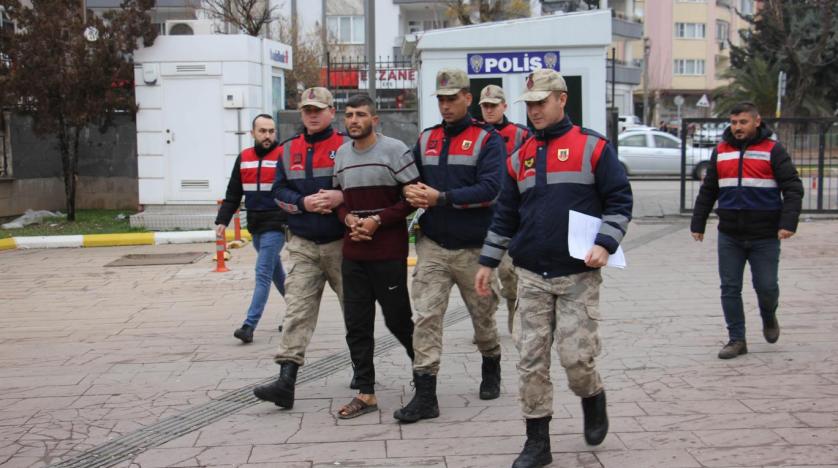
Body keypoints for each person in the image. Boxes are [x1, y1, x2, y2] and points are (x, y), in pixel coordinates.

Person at [474, 69, 633, 468]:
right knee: (530, 360)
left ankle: (592, 396)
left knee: (576, 359)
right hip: (530, 275)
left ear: (562, 100)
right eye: (529, 104)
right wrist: (488, 262)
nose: (534, 111)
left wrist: (604, 244)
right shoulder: (519, 155)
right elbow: (505, 215)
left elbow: (619, 200)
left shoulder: (592, 147)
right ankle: (537, 442)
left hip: (577, 275)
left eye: (541, 103)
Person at [393, 68, 505, 424]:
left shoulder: (488, 140)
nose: (445, 105)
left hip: (475, 249)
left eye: (452, 98)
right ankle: (426, 394)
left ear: (467, 99)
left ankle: (491, 363)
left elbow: (491, 190)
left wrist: (441, 198)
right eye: (440, 99)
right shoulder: (426, 139)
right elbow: (411, 181)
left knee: (483, 317)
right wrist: (408, 193)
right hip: (433, 246)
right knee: (425, 316)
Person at [252, 87, 347, 409]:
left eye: (319, 109)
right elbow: (277, 190)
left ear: (332, 112)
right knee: (297, 312)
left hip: (342, 244)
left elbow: (362, 187)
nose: (313, 114)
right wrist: (303, 203)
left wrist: (340, 198)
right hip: (304, 244)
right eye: (307, 109)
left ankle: (364, 372)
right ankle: (286, 381)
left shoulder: (346, 146)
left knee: (356, 312)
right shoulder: (287, 149)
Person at [690, 101, 803, 360]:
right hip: (730, 234)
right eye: (734, 122)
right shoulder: (721, 151)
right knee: (730, 287)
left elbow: (793, 188)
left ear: (757, 121)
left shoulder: (773, 150)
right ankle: (737, 339)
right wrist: (698, 222)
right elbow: (709, 189)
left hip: (765, 235)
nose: (737, 127)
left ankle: (768, 314)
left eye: (743, 122)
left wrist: (788, 223)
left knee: (766, 287)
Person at [331, 94, 419, 419]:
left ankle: (424, 373)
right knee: (356, 324)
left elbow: (414, 196)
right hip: (353, 252)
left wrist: (378, 220)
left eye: (360, 115)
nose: (353, 120)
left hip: (388, 253)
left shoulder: (395, 150)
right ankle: (366, 393)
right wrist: (349, 220)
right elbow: (339, 199)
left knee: (398, 320)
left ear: (375, 119)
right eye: (349, 114)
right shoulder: (340, 154)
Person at [215, 114, 287, 344]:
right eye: (262, 131)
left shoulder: (282, 156)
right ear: (253, 133)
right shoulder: (244, 158)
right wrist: (222, 221)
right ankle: (299, 311)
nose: (267, 136)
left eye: (271, 131)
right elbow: (233, 193)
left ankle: (249, 325)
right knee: (276, 273)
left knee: (262, 273)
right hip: (255, 226)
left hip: (276, 225)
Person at [478, 84, 532, 333]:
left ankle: (514, 315)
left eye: (493, 105)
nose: (488, 110)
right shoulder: (476, 135)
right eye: (484, 106)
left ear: (504, 106)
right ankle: (486, 326)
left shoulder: (521, 135)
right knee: (484, 278)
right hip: (483, 216)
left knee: (510, 274)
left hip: (512, 217)